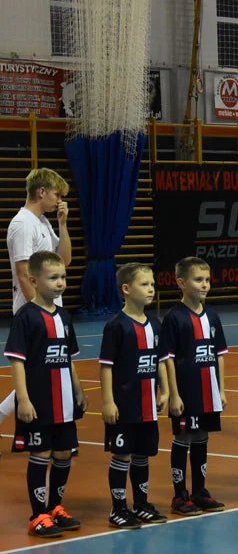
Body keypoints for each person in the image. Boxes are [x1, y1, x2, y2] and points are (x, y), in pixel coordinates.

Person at [4, 251, 86, 538]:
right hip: (39, 401)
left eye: (63, 277)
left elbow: (68, 357)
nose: (60, 282)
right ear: (33, 281)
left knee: (63, 453)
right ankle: (37, 515)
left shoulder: (64, 316)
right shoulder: (26, 316)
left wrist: (78, 389)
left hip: (64, 402)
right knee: (41, 453)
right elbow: (17, 360)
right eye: (53, 278)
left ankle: (55, 508)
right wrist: (23, 399)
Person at [2, 168, 74, 443]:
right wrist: (39, 311)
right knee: (36, 372)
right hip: (32, 309)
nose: (60, 199)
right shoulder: (22, 223)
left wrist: (63, 224)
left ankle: (53, 427)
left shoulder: (43, 222)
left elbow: (64, 260)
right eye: (57, 194)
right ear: (41, 191)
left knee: (43, 371)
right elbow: (23, 272)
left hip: (48, 309)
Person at [100, 263, 170, 529]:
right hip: (124, 405)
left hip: (147, 406)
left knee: (142, 455)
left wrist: (164, 390)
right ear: (126, 290)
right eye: (144, 284)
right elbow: (106, 366)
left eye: (152, 283)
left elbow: (160, 361)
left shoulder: (155, 323)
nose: (151, 288)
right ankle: (118, 507)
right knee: (122, 456)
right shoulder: (116, 326)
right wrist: (108, 400)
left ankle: (141, 503)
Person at [161, 257, 227, 516]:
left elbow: (219, 353)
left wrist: (220, 389)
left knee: (202, 437)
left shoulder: (212, 315)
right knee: (184, 437)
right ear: (181, 283)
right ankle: (180, 496)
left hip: (208, 389)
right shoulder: (174, 317)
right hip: (186, 391)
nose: (205, 285)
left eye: (207, 280)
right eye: (198, 280)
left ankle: (200, 491)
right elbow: (166, 359)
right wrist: (173, 394)